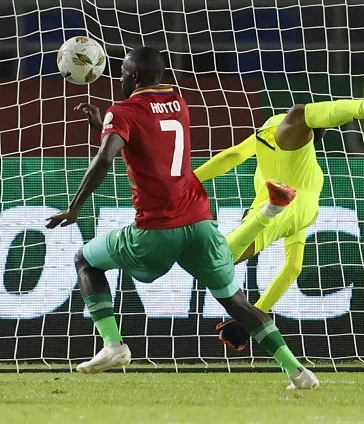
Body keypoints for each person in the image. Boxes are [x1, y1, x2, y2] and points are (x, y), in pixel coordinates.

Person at [46, 46, 319, 389]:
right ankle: (298, 371)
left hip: (158, 228)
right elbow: (150, 142)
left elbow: (105, 158)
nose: (119, 79)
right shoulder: (178, 103)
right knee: (237, 302)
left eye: (121, 74)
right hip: (200, 223)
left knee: (85, 259)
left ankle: (113, 344)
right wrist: (105, 125)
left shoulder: (124, 110)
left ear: (132, 76)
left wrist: (75, 206)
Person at [193, 76, 364, 351]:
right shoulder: (311, 168)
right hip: (303, 211)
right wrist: (256, 312)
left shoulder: (275, 129)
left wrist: (184, 182)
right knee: (222, 258)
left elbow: (229, 156)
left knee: (218, 259)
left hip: (280, 206)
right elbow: (293, 268)